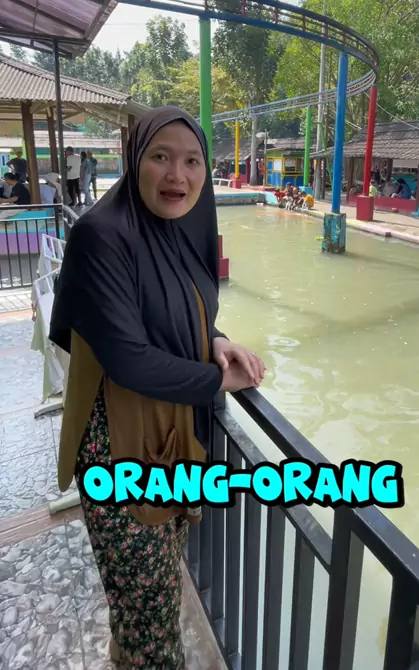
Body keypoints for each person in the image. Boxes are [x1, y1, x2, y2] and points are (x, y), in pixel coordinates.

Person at [49, 106, 266, 670]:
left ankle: (127, 653)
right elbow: (128, 358)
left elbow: (178, 309)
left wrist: (216, 340)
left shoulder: (174, 232)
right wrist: (216, 380)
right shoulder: (102, 235)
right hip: (119, 452)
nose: (178, 175)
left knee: (152, 590)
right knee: (151, 613)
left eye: (192, 161)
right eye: (161, 157)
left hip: (167, 442)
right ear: (134, 159)